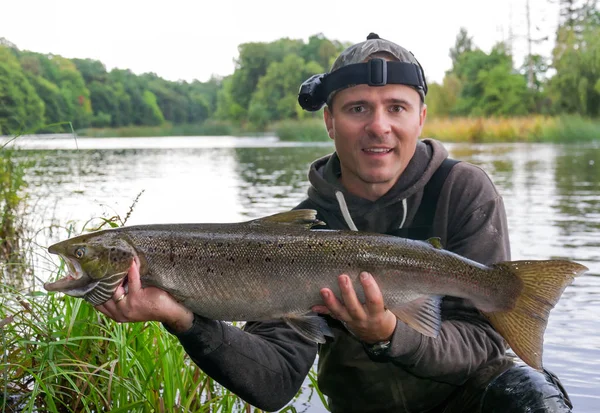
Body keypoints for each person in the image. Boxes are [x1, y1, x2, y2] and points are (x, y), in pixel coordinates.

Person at [96, 33, 573, 412]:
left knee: (531, 395)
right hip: (364, 406)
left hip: (468, 400)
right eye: (358, 108)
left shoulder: (463, 190)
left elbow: (482, 343)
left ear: (421, 117)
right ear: (329, 121)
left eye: (396, 108)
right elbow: (274, 382)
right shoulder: (299, 231)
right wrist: (185, 320)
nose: (378, 126)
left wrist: (390, 334)